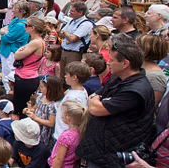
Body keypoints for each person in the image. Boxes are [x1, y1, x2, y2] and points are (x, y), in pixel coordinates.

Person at [77, 34, 156, 167]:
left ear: (125, 63)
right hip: (101, 149)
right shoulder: (118, 78)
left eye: (112, 60)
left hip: (112, 154)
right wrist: (96, 99)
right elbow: (94, 97)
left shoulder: (134, 91)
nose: (108, 63)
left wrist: (96, 100)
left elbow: (96, 109)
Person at [13, 17, 47, 117]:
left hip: (25, 77)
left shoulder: (35, 42)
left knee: (20, 107)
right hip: (30, 75)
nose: (25, 27)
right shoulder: (39, 41)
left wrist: (19, 50)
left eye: (27, 25)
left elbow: (17, 55)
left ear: (33, 28)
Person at [0, 0, 31, 92]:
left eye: (16, 8)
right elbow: (5, 27)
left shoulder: (21, 25)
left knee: (9, 74)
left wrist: (4, 32)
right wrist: (4, 31)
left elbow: (7, 38)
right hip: (6, 50)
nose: (13, 10)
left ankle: (10, 93)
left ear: (22, 11)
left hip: (11, 52)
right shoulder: (16, 20)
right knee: (5, 73)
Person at [48, 100, 85, 168]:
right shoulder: (80, 132)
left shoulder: (66, 137)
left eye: (62, 113)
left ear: (68, 118)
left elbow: (59, 159)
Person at [58, 2, 93, 75]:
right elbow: (60, 33)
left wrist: (66, 33)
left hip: (74, 53)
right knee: (62, 75)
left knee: (71, 73)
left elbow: (73, 39)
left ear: (80, 12)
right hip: (64, 51)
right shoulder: (71, 21)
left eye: (72, 11)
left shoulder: (85, 24)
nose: (69, 12)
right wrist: (67, 34)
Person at [137, 35, 167, 106]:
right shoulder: (140, 68)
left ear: (145, 50)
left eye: (136, 46)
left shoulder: (155, 76)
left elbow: (151, 106)